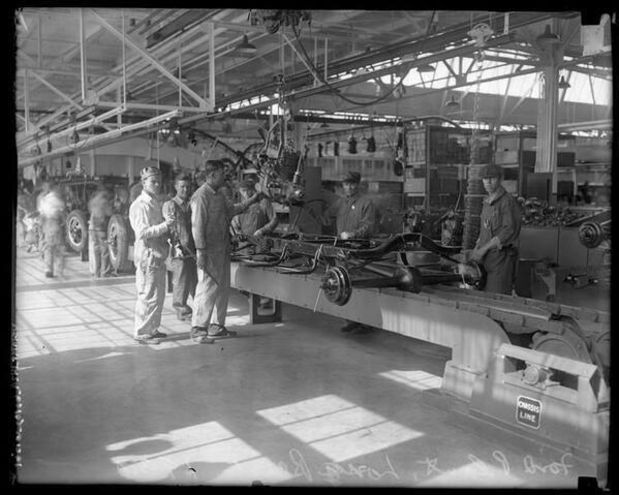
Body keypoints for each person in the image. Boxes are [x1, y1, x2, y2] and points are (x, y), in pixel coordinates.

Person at [190, 160, 263, 344]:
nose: (225, 177)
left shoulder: (220, 195)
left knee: (222, 288)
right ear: (212, 174)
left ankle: (217, 327)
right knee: (207, 287)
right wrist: (201, 251)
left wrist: (253, 199)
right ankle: (198, 329)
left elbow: (232, 211)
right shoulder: (201, 196)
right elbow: (197, 226)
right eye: (223, 173)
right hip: (208, 250)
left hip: (223, 248)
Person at [323, 171, 377, 334]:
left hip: (358, 251)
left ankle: (366, 322)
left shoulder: (366, 203)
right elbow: (327, 216)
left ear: (358, 185)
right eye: (346, 184)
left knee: (360, 285)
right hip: (342, 251)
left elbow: (369, 226)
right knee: (344, 286)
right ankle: (351, 319)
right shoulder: (341, 202)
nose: (348, 187)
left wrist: (353, 235)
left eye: (352, 184)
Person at [128, 167, 175, 345]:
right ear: (144, 183)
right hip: (147, 256)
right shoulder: (140, 205)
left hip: (158, 254)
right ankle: (141, 332)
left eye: (158, 181)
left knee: (158, 295)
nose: (157, 184)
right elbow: (142, 232)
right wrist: (166, 225)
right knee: (147, 294)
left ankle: (152, 329)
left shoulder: (155, 202)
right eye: (153, 181)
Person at [470, 163, 522, 295]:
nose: (488, 182)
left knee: (497, 297)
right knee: (483, 296)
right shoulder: (487, 202)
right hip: (486, 259)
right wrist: (477, 248)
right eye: (485, 178)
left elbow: (508, 230)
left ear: (500, 179)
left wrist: (484, 249)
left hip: (501, 260)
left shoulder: (507, 201)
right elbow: (484, 229)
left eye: (492, 178)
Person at [162, 174, 197, 321]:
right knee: (181, 281)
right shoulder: (170, 205)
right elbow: (169, 228)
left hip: (193, 249)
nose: (185, 189)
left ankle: (199, 310)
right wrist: (176, 245)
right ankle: (182, 311)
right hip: (179, 251)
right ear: (176, 187)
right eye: (182, 186)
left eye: (188, 186)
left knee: (195, 281)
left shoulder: (191, 204)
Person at [37, 181, 66, 278]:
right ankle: (59, 270)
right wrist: (63, 221)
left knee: (48, 248)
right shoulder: (56, 199)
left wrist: (41, 226)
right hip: (55, 224)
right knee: (58, 248)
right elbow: (62, 211)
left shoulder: (44, 199)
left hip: (46, 224)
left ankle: (48, 269)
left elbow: (41, 213)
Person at [88, 188, 114, 278]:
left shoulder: (93, 201)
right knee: (105, 251)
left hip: (93, 228)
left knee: (96, 251)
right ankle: (105, 272)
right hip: (101, 228)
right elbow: (109, 213)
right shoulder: (104, 202)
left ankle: (96, 272)